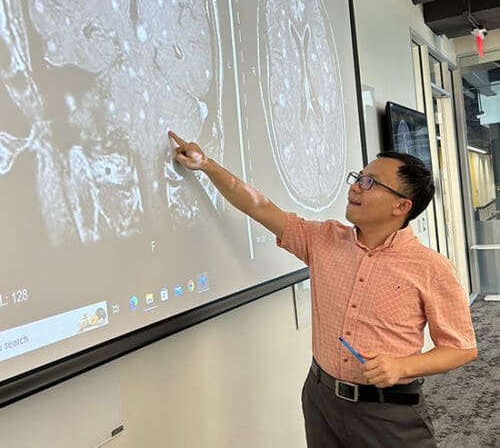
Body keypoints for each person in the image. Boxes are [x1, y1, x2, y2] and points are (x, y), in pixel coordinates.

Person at [168, 130, 477, 448]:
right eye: (359, 177)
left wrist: (403, 365)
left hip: (388, 414)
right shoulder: (324, 240)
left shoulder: (431, 267)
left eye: (370, 182)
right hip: (321, 399)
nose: (355, 187)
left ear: (401, 207)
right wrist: (207, 165)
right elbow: (259, 206)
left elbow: (462, 347)